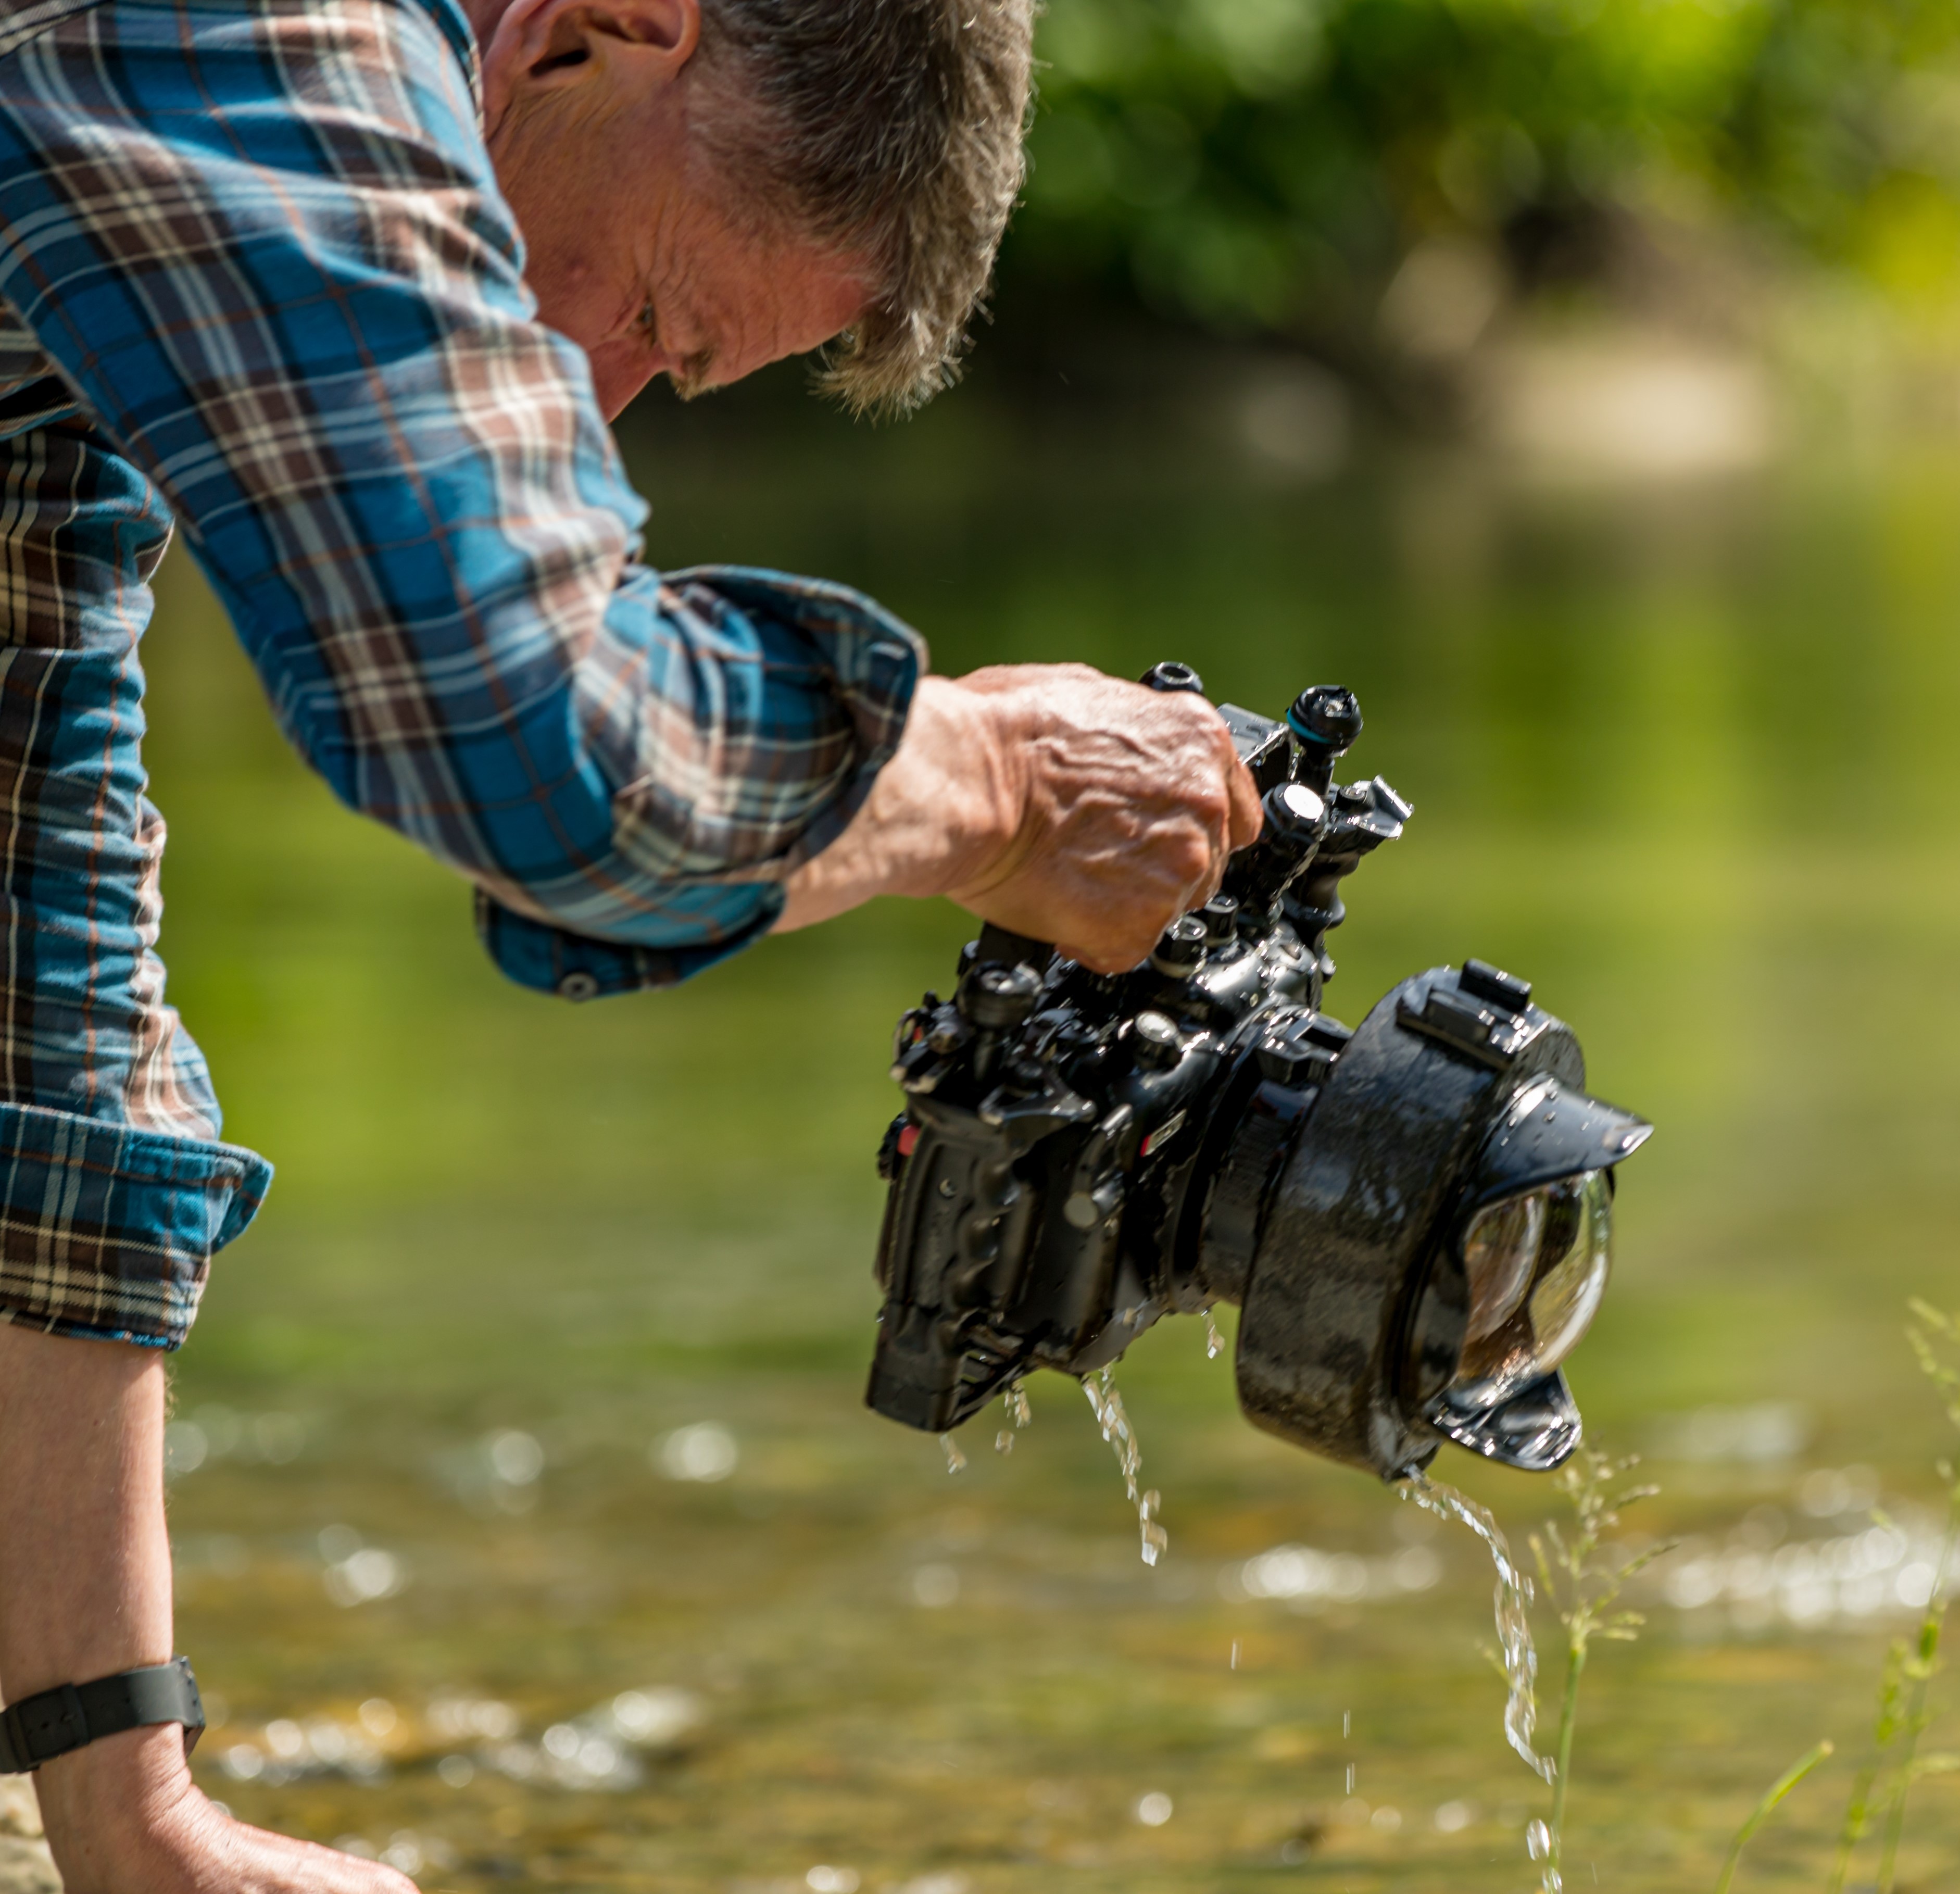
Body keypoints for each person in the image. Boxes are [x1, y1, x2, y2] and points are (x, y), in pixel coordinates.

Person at [0, 0, 1263, 1883]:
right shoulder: (258, 33)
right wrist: (992, 784)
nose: (595, 406)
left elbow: (41, 937)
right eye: (663, 318)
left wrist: (129, 1802)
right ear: (612, 29)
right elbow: (550, 758)